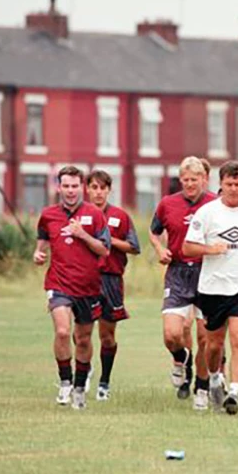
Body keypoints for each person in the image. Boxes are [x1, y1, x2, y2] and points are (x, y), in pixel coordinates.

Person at [183, 161, 238, 415]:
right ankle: (213, 379)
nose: (234, 188)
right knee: (213, 345)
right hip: (212, 287)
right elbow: (187, 248)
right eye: (229, 184)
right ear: (220, 184)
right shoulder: (207, 213)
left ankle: (234, 392)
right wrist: (211, 249)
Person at [34, 165, 111, 410]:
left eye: (74, 186)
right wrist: (38, 253)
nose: (70, 190)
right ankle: (65, 381)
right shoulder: (48, 215)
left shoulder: (95, 214)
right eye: (65, 186)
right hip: (58, 283)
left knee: (84, 339)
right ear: (59, 187)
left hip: (88, 286)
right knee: (63, 332)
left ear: (82, 188)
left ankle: (79, 386)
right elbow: (42, 241)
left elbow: (104, 249)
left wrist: (83, 235)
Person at [150, 157, 216, 410]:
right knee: (172, 335)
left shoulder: (214, 204)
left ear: (203, 179)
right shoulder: (168, 204)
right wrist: (159, 249)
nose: (189, 184)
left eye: (194, 179)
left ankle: (201, 387)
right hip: (177, 272)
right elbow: (155, 231)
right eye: (185, 180)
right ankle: (181, 358)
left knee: (205, 338)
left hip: (207, 272)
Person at [86, 170, 141, 401]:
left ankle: (104, 382)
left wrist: (108, 239)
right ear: (87, 189)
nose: (98, 192)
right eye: (94, 187)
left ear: (109, 190)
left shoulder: (120, 216)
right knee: (82, 331)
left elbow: (134, 246)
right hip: (85, 279)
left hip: (111, 280)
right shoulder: (80, 215)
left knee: (106, 336)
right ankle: (84, 368)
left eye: (103, 188)